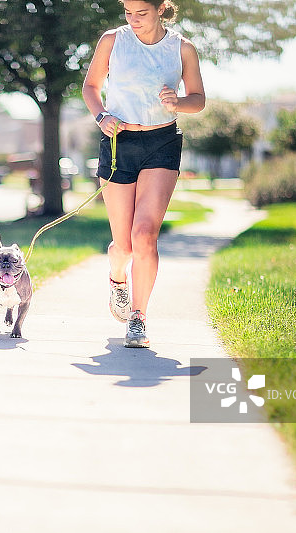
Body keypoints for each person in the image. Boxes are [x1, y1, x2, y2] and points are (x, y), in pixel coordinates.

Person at [82, 0, 205, 348]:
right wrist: (101, 116)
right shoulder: (112, 40)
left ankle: (138, 319)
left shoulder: (182, 49)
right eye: (128, 13)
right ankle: (117, 279)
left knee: (145, 235)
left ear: (161, 8)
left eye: (142, 13)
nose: (133, 21)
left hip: (162, 142)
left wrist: (178, 102)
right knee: (123, 245)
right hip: (119, 142)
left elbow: (198, 98)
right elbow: (90, 88)